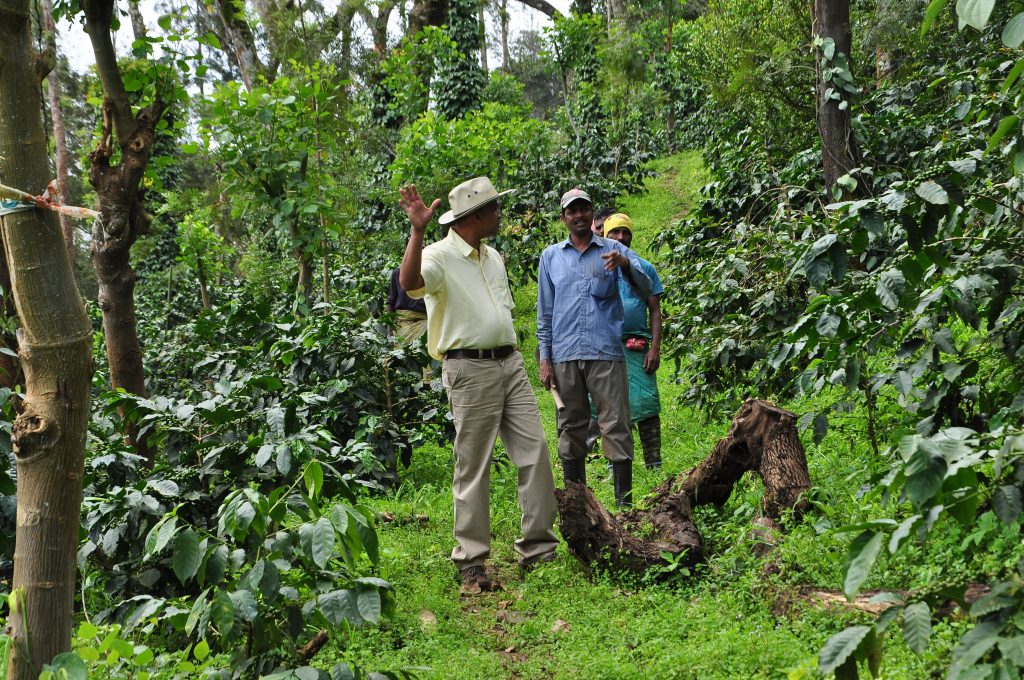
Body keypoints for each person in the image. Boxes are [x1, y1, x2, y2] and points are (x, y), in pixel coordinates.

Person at [398, 177, 558, 594]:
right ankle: (471, 561)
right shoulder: (439, 255)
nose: (499, 214)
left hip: (510, 363)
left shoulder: (493, 256)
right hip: (469, 370)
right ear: (475, 216)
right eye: (493, 208)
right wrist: (417, 232)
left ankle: (539, 548)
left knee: (535, 451)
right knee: (474, 464)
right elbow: (410, 283)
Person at [537, 188, 652, 508]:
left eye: (584, 209)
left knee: (616, 424)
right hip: (564, 356)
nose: (578, 215)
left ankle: (624, 508)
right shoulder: (551, 257)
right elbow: (545, 312)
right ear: (564, 218)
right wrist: (545, 358)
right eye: (572, 211)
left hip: (605, 354)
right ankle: (578, 508)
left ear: (591, 213)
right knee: (570, 429)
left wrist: (626, 265)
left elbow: (646, 289)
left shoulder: (614, 249)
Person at [603, 213, 665, 470]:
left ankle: (654, 463)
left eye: (625, 232)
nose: (620, 237)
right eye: (614, 232)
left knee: (646, 402)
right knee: (611, 406)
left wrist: (654, 348)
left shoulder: (645, 267)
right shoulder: (597, 267)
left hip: (637, 347)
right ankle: (616, 466)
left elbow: (655, 310)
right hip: (606, 349)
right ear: (605, 235)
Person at [386, 266, 428, 342]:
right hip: (402, 325)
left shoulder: (429, 273)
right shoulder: (398, 272)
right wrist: (390, 330)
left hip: (424, 325)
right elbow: (391, 302)